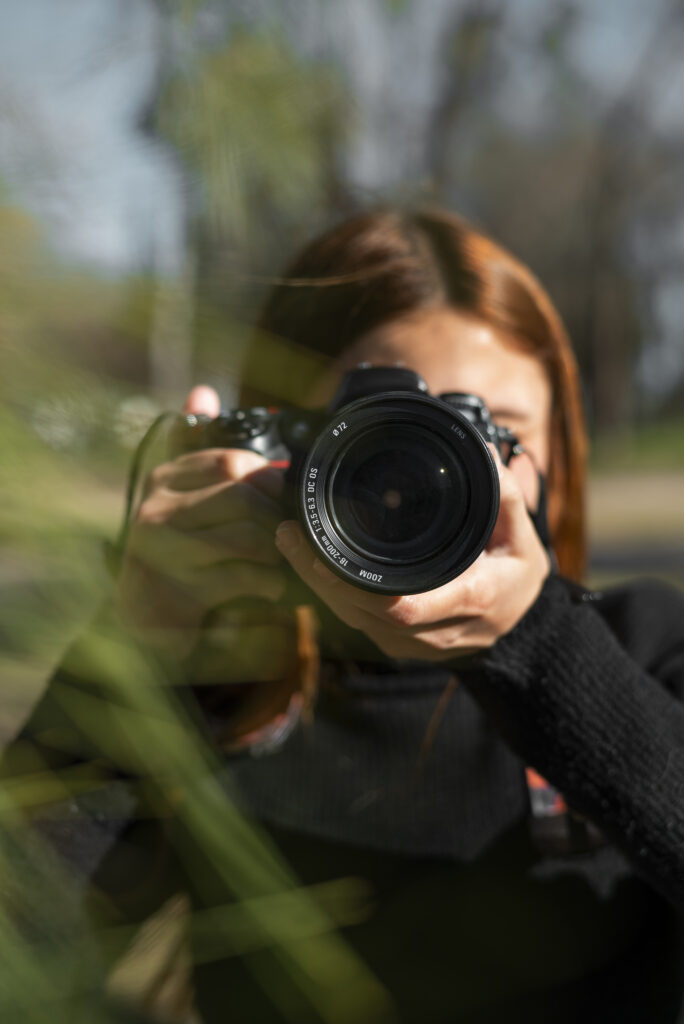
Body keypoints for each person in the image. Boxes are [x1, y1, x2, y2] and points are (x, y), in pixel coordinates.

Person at [6, 207, 684, 1023]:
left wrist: (541, 645)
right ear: (288, 454)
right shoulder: (227, 689)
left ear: (561, 465)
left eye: (490, 431)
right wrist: (138, 654)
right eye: (377, 438)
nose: (430, 477)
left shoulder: (640, 646)